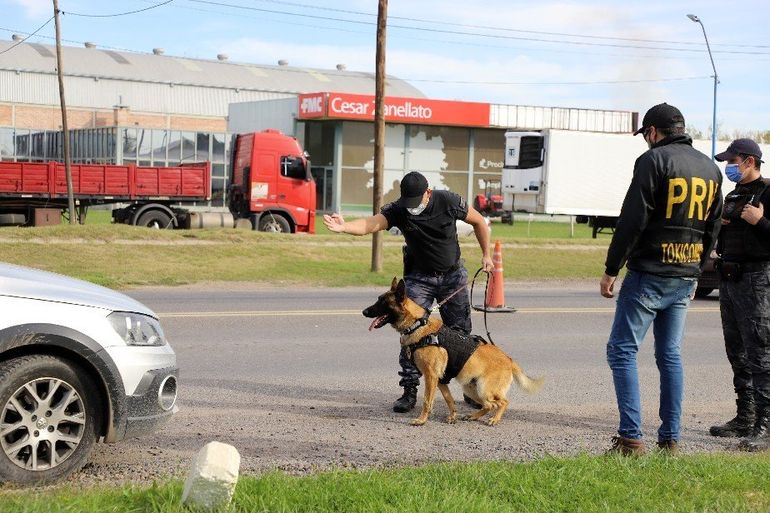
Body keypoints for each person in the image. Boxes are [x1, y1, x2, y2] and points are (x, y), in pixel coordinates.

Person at [600, 103, 723, 455]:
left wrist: (612, 268)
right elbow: (713, 226)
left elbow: (632, 219)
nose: (645, 141)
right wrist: (696, 265)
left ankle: (630, 438)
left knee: (621, 351)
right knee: (669, 355)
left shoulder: (653, 161)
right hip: (685, 275)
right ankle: (670, 439)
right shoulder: (711, 168)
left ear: (653, 132)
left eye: (646, 135)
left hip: (650, 272)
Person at [323, 171, 493, 412]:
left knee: (460, 335)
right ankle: (409, 390)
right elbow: (371, 224)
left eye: (417, 201)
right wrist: (344, 227)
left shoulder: (448, 201)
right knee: (411, 333)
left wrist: (486, 254)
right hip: (419, 278)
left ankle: (470, 389)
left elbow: (479, 222)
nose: (412, 208)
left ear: (428, 193)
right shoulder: (400, 208)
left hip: (452, 276)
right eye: (408, 202)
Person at [709, 138, 770, 452]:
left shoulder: (768, 193)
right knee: (737, 352)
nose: (727, 166)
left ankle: (765, 423)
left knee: (760, 353)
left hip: (757, 280)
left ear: (749, 160)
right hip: (730, 279)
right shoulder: (733, 194)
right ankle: (744, 417)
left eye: (731, 161)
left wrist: (760, 222)